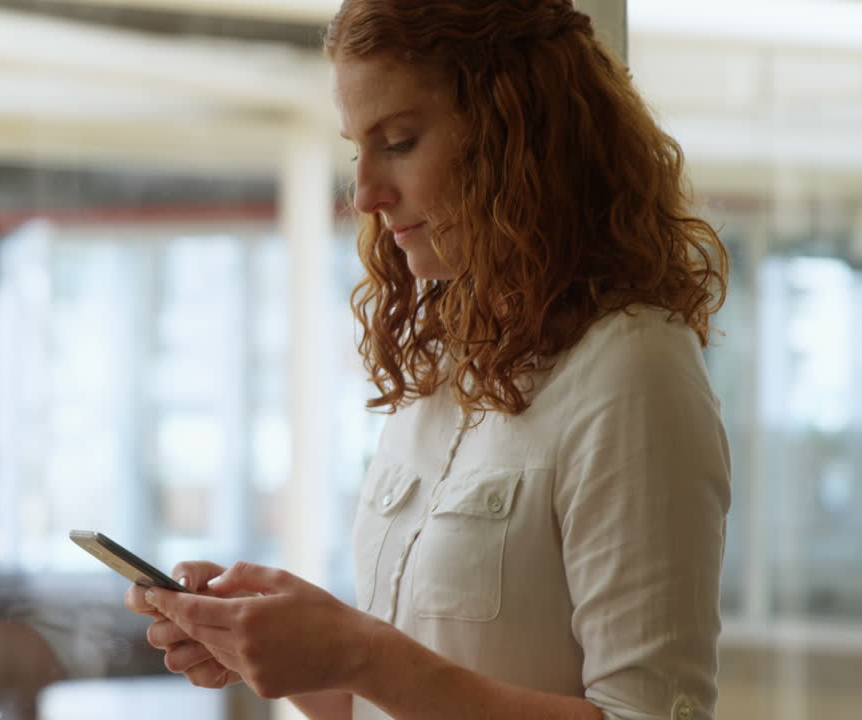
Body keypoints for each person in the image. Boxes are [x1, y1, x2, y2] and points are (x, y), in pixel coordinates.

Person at [125, 1, 731, 718]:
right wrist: (286, 651)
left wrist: (359, 651)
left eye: (402, 141)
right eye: (360, 149)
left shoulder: (633, 369)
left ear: (520, 136)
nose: (368, 194)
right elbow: (392, 701)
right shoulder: (445, 363)